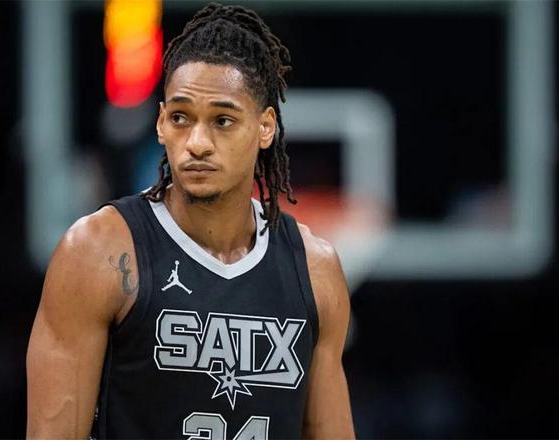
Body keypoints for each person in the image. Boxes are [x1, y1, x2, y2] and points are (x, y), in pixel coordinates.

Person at [26, 3, 354, 438]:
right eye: (181, 118)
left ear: (265, 127)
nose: (197, 143)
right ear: (162, 123)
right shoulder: (98, 252)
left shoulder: (315, 270)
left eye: (222, 120)